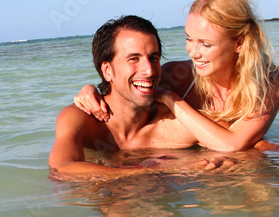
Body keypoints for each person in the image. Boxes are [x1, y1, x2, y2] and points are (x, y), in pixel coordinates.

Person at [73, 0, 279, 152]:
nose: (193, 52)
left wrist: (169, 98)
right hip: (196, 168)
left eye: (206, 44)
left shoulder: (273, 82)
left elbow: (235, 144)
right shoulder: (177, 75)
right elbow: (126, 89)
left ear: (239, 43)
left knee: (269, 150)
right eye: (189, 39)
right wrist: (90, 89)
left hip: (230, 159)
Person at [48, 15, 233, 178]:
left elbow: (249, 148)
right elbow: (61, 170)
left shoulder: (173, 124)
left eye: (153, 58)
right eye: (133, 59)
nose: (149, 70)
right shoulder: (82, 119)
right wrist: (163, 170)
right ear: (107, 70)